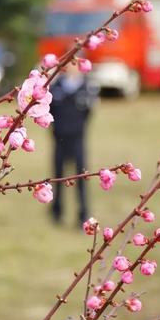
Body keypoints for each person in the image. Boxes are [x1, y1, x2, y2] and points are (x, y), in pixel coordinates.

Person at [50, 61, 98, 226]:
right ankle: (56, 213)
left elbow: (89, 112)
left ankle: (83, 215)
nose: (72, 67)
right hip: (59, 138)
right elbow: (49, 111)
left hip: (77, 138)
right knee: (58, 177)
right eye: (70, 63)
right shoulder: (56, 86)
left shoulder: (87, 87)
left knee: (81, 177)